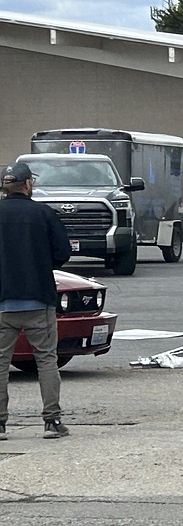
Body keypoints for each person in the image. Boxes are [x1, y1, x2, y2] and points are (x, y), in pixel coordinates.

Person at [0, 162, 72, 439]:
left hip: (2, 303)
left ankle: (1, 424)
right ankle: (51, 421)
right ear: (28, 184)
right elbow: (62, 252)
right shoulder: (43, 214)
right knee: (46, 360)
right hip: (38, 300)